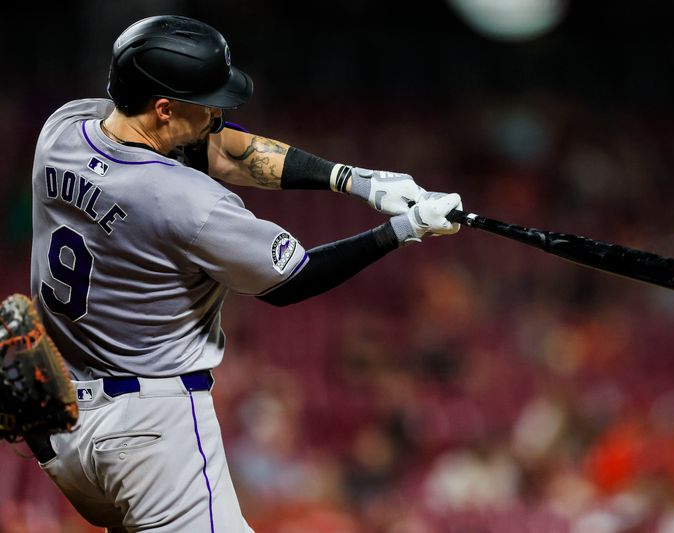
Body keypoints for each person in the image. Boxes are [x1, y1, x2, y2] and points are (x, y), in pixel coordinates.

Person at [28, 14, 462, 532]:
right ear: (163, 108)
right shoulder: (189, 202)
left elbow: (212, 148)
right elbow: (292, 281)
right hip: (150, 432)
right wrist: (403, 229)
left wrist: (348, 180)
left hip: (62, 422)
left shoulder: (63, 130)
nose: (218, 114)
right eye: (206, 103)